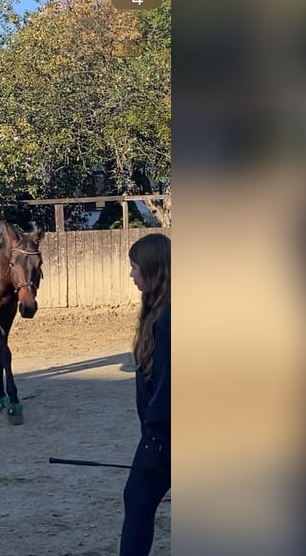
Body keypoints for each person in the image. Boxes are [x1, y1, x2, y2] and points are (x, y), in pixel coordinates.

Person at [120, 233, 171, 556]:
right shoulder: (162, 312)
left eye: (135, 267)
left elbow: (170, 387)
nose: (131, 274)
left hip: (165, 435)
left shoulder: (167, 321)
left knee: (137, 501)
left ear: (151, 270)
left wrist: (154, 438)